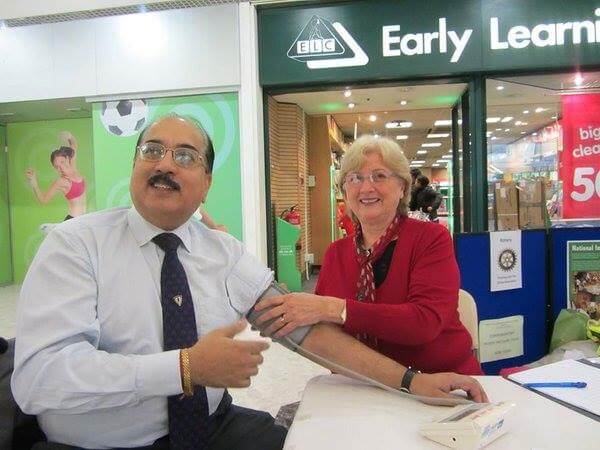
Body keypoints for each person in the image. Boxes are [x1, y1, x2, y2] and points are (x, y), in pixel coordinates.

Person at [12, 117, 486, 450]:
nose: (166, 164)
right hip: (104, 444)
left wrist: (410, 381)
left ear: (207, 181)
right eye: (152, 151)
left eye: (185, 156)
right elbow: (37, 380)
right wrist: (183, 368)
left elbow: (302, 328)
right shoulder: (74, 246)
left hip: (211, 430)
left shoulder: (223, 252)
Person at [255, 135, 482, 376]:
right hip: (363, 384)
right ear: (345, 189)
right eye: (354, 178)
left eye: (379, 176)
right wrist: (287, 315)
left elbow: (424, 322)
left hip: (443, 381)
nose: (366, 187)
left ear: (402, 186)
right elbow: (325, 332)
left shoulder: (430, 238)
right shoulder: (336, 254)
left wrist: (334, 308)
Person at [25, 132, 86, 220]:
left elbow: (73, 145)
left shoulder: (73, 167)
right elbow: (43, 200)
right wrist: (34, 184)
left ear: (68, 159)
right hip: (73, 220)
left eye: (62, 162)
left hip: (82, 219)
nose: (61, 168)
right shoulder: (61, 181)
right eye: (57, 166)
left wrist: (70, 137)